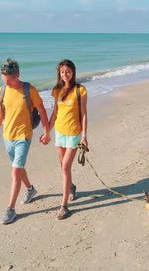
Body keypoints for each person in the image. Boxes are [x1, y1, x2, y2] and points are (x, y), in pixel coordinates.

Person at [0, 58, 51, 225]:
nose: (6, 83)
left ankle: (10, 209)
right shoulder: (2, 91)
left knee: (15, 170)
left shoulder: (29, 90)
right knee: (18, 168)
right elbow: (0, 115)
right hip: (8, 137)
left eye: (8, 80)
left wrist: (46, 131)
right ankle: (30, 189)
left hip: (24, 136)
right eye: (3, 80)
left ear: (17, 75)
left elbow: (42, 110)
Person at [48, 59, 88, 220]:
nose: (65, 74)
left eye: (68, 71)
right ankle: (71, 187)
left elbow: (84, 114)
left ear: (73, 72)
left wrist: (84, 136)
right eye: (62, 71)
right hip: (60, 132)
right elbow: (54, 112)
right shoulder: (57, 90)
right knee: (63, 166)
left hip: (74, 133)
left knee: (65, 167)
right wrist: (46, 131)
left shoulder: (80, 90)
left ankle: (64, 205)